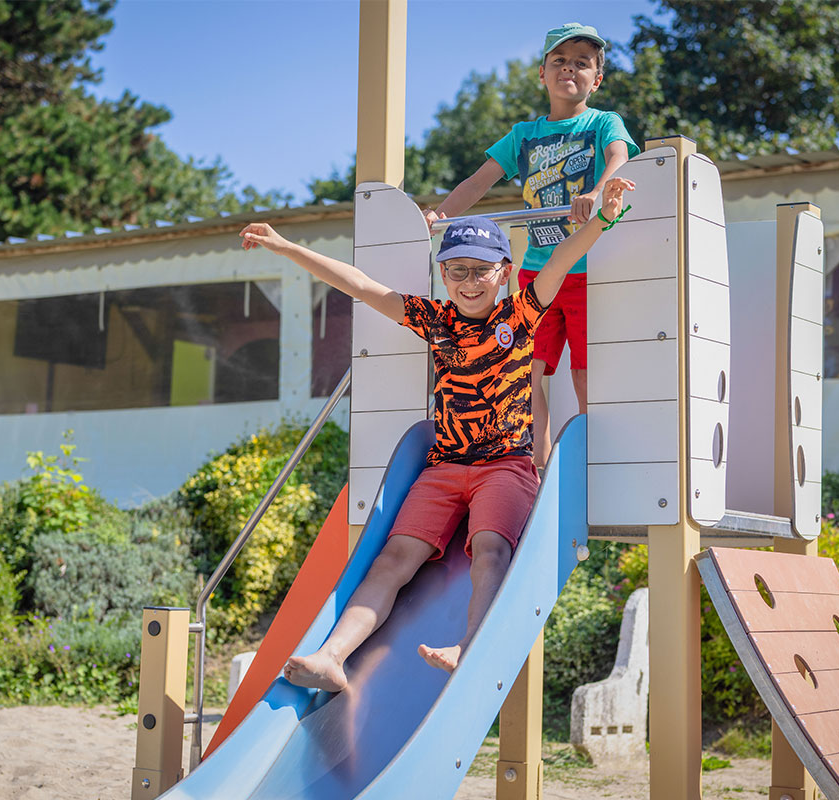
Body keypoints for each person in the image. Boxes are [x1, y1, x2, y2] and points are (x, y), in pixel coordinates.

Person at [239, 177, 636, 692]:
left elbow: (562, 258)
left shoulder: (522, 311)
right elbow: (359, 285)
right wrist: (285, 245)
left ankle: (470, 647)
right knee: (393, 558)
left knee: (491, 548)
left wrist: (603, 218)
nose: (469, 282)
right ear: (443, 274)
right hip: (443, 467)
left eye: (481, 270)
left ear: (505, 272)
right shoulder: (436, 319)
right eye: (456, 271)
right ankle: (333, 656)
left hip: (506, 467)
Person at [425, 22, 639, 471]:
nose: (570, 69)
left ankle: (591, 465)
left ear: (596, 80)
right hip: (538, 276)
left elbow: (620, 157)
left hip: (586, 271)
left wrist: (597, 193)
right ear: (542, 73)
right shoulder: (524, 135)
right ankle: (534, 467)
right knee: (526, 371)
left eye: (582, 63)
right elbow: (478, 181)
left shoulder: (602, 123)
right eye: (560, 61)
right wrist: (440, 216)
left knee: (585, 372)